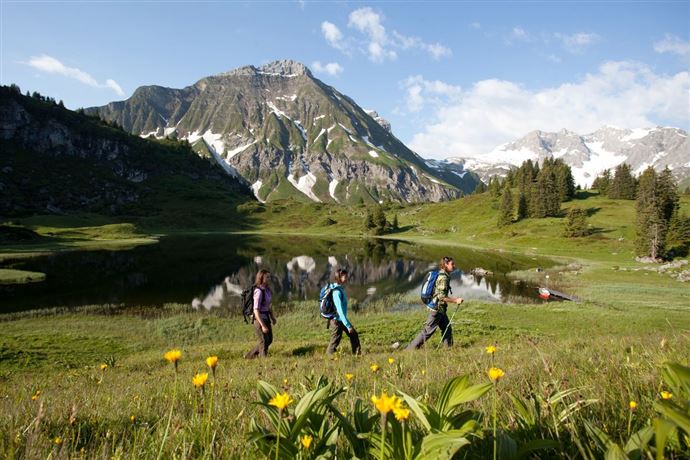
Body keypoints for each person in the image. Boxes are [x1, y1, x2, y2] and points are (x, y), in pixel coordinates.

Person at [406, 256, 464, 350]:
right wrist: (455, 300)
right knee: (428, 332)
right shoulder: (443, 278)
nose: (454, 266)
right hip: (436, 309)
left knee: (447, 328)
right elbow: (441, 297)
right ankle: (409, 350)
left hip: (440, 309)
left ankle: (448, 349)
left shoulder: (442, 274)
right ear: (446, 264)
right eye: (452, 264)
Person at [327, 268, 361, 356]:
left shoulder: (340, 289)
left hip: (340, 320)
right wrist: (348, 326)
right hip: (337, 321)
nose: (346, 278)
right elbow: (340, 311)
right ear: (339, 277)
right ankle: (330, 357)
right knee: (335, 341)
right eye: (344, 276)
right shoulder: (336, 292)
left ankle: (357, 354)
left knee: (354, 335)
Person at [244, 269, 277, 358]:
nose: (269, 278)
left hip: (266, 317)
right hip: (259, 319)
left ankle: (249, 356)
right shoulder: (258, 291)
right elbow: (256, 310)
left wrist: (272, 317)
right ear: (261, 278)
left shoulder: (267, 290)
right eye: (267, 277)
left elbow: (268, 306)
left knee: (269, 340)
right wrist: (262, 325)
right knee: (263, 340)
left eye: (269, 277)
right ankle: (264, 360)